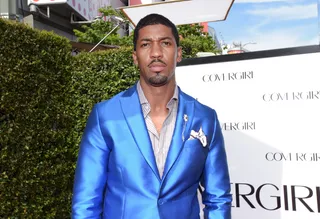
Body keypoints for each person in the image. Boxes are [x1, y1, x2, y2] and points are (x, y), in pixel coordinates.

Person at [72, 13, 232, 219]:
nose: (156, 53)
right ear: (135, 56)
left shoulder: (205, 118)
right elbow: (86, 202)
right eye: (146, 44)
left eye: (165, 43)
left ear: (179, 53)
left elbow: (218, 198)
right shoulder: (105, 116)